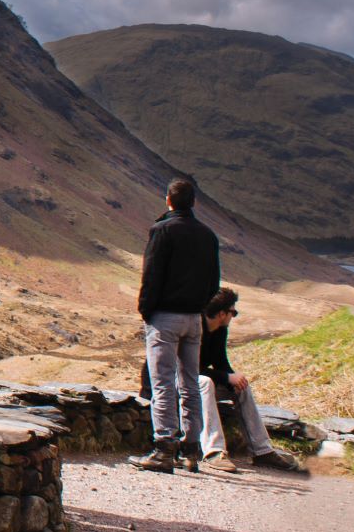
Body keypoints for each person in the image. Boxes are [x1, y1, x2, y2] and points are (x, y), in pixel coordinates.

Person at [129, 177, 220, 472]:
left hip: (165, 317)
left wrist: (147, 310)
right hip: (194, 319)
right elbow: (213, 282)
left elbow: (151, 274)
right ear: (193, 202)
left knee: (163, 382)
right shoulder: (208, 236)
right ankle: (191, 450)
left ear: (168, 200)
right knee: (190, 383)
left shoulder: (162, 230)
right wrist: (199, 307)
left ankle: (164, 449)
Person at [195, 287, 303, 473]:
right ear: (222, 313)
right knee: (205, 382)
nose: (233, 316)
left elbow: (220, 362)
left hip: (197, 379)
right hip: (178, 381)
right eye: (233, 312)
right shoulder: (194, 327)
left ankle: (262, 451)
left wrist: (234, 379)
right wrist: (226, 376)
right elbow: (189, 369)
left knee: (240, 387)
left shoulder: (220, 331)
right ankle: (213, 451)